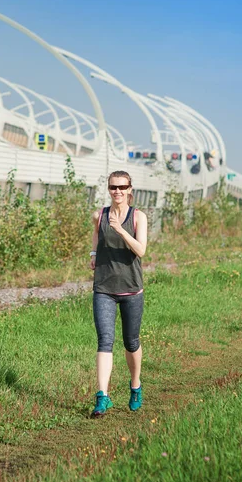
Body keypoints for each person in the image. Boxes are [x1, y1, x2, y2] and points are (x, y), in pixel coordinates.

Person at [89, 170, 148, 417]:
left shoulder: (138, 217)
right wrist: (93, 254)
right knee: (105, 341)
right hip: (103, 288)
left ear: (130, 189)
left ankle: (135, 386)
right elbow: (96, 234)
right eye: (114, 187)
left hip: (132, 289)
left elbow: (141, 250)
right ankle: (102, 397)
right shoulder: (99, 215)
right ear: (109, 188)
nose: (118, 191)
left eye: (123, 187)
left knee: (131, 341)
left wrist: (121, 230)